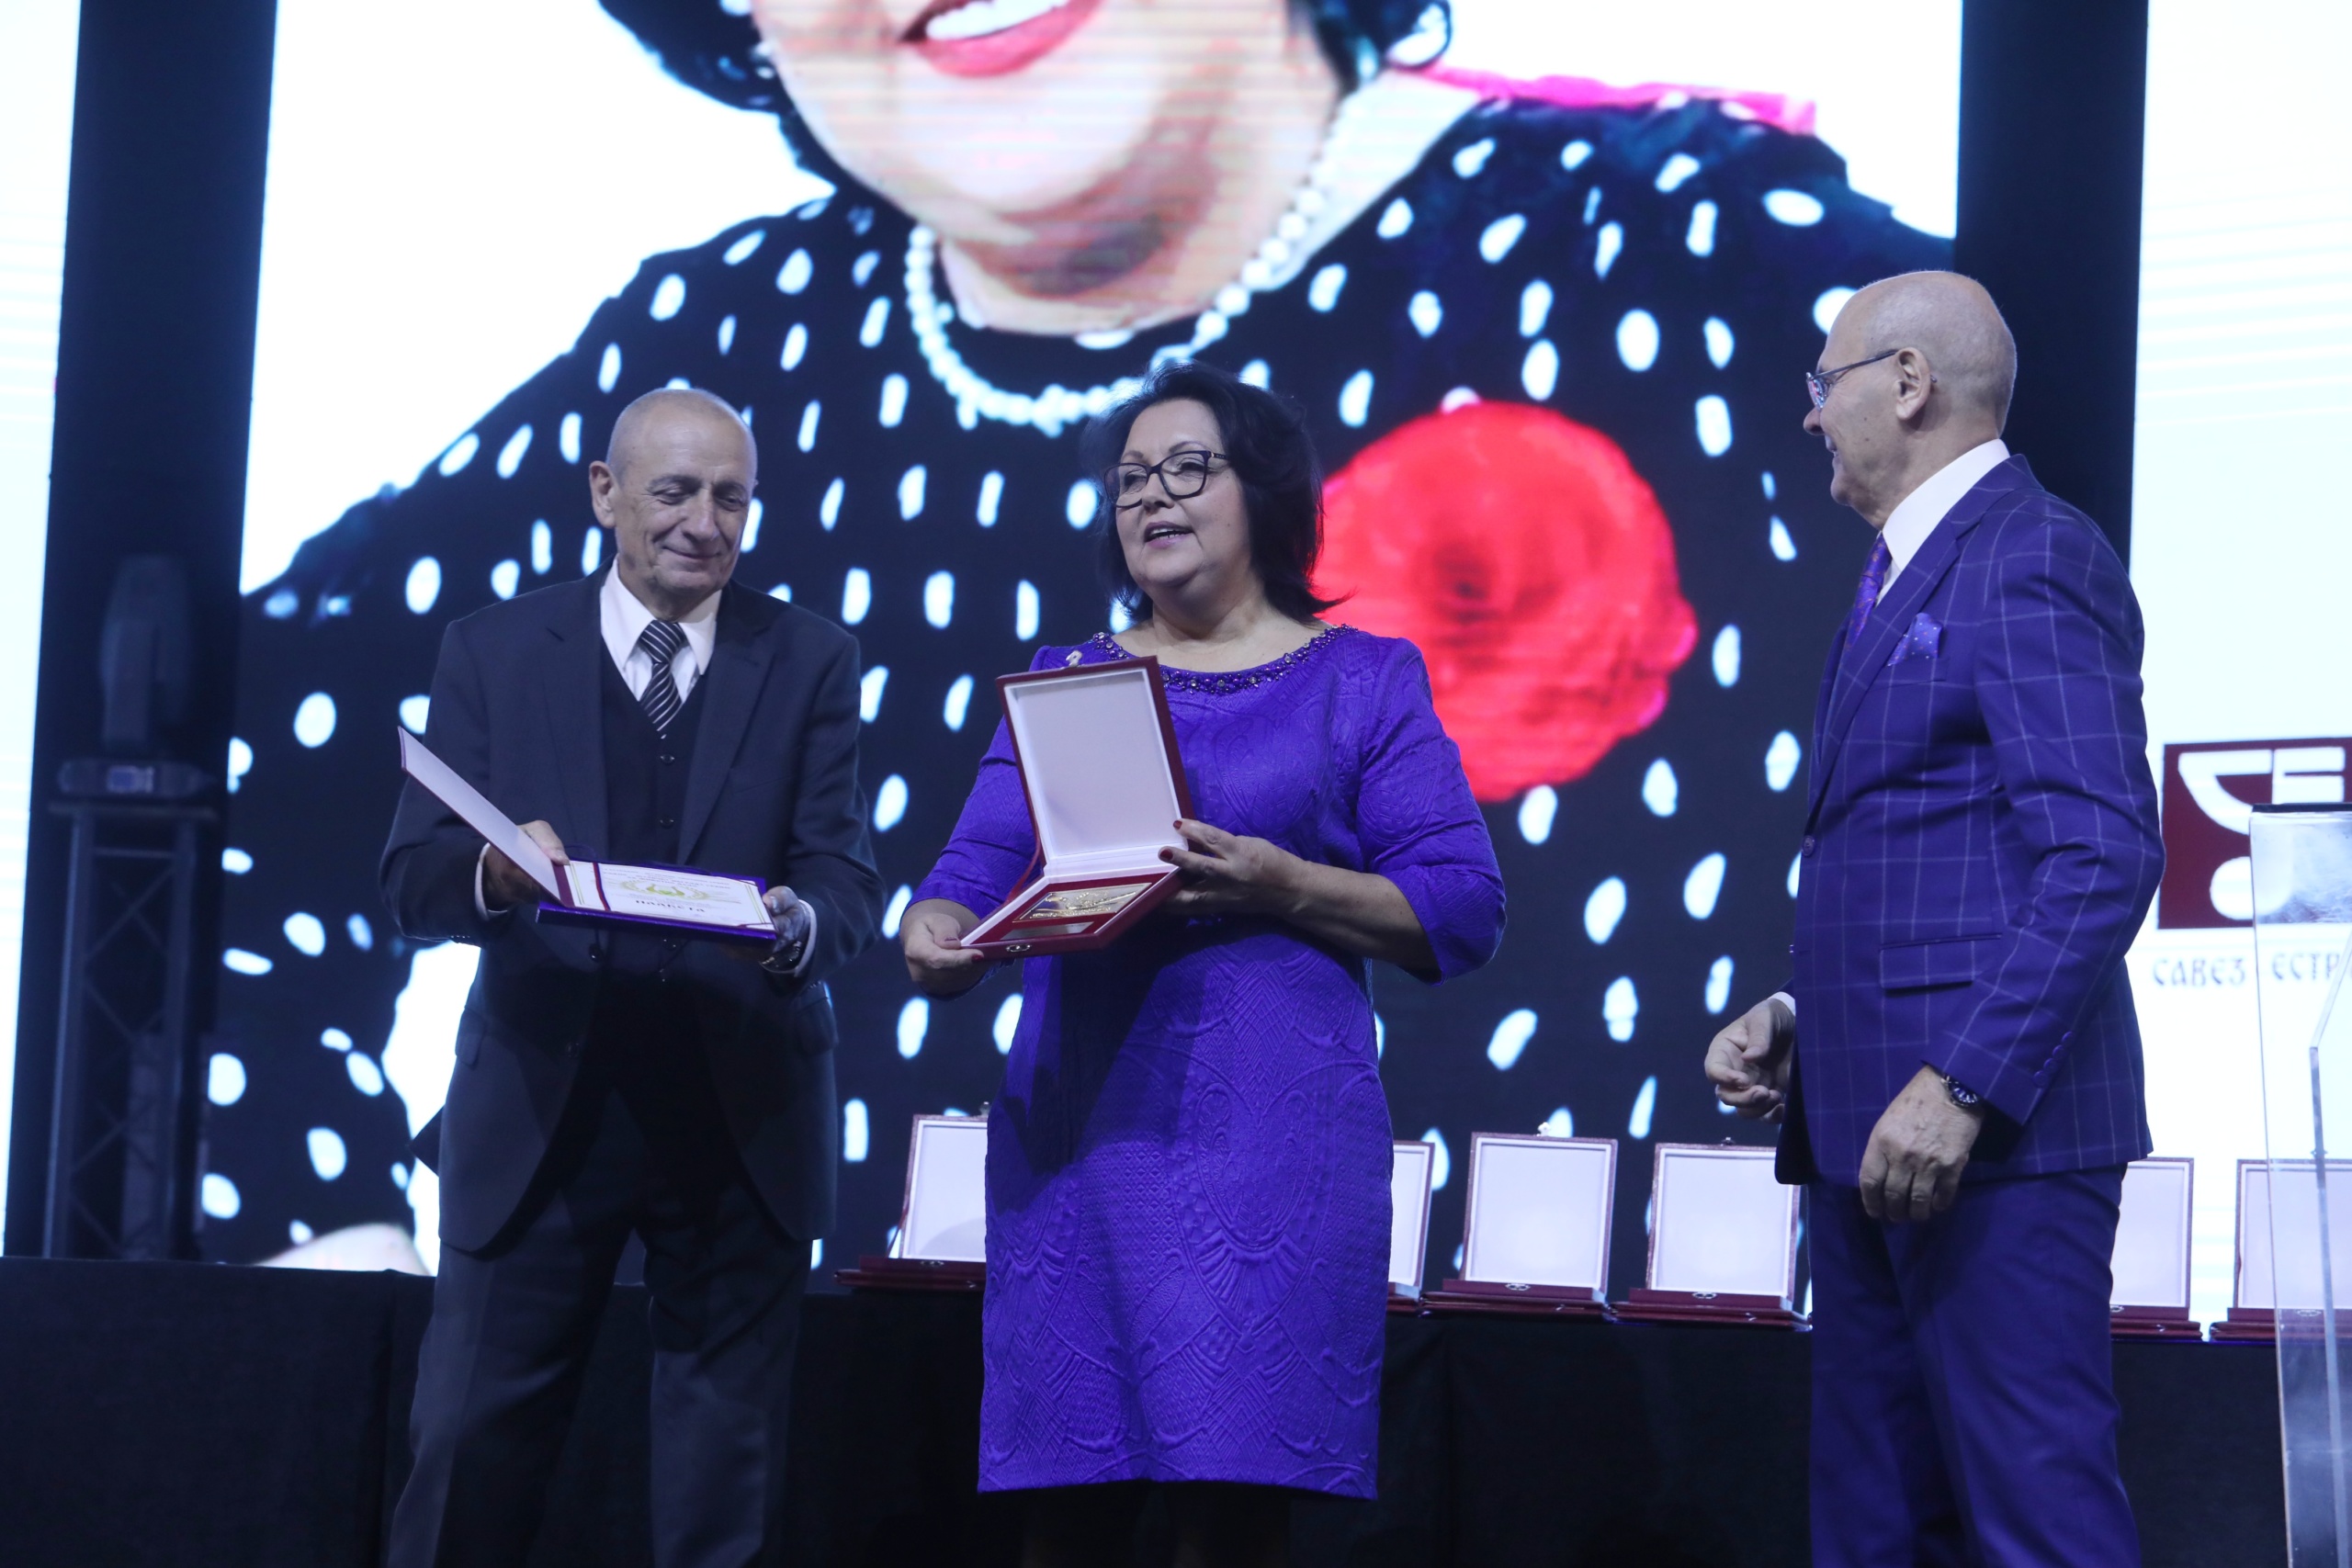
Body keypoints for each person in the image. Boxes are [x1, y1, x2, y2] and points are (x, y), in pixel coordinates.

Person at [216, 0, 1945, 1272]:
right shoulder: (712, 349)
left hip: (1547, 1386)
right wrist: (340, 1259)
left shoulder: (1695, 248)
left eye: (1195, 476)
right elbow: (258, 761)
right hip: (871, 1352)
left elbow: (2002, 738)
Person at [901, 361, 1504, 1564]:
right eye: (1130, 479)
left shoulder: (1360, 680)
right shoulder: (1072, 682)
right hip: (1081, 1155)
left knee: (1225, 1521)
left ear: (1267, 494)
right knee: (1064, 1524)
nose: (1151, 497)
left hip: (1267, 1161)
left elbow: (1463, 905)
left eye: (1186, 468)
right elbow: (969, 870)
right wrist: (936, 930)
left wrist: (1285, 884)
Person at [379, 387, 884, 1565]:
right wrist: (496, 876)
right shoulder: (494, 650)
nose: (706, 523)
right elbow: (411, 880)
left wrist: (800, 921)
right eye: (675, 492)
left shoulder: (811, 657)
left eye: (731, 498)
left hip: (741, 1110)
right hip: (540, 1106)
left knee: (722, 1495)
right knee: (467, 1462)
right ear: (605, 495)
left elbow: (842, 875)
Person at [1704, 273, 2163, 1567]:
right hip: (1866, 1130)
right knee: (1872, 1526)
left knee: (2035, 1519)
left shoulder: (2029, 550)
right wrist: (1801, 1013)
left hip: (1992, 1138)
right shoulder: (1901, 567)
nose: (1811, 415)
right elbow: (1938, 859)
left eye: (1825, 382)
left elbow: (2103, 850)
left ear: (1907, 382)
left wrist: (1963, 1081)